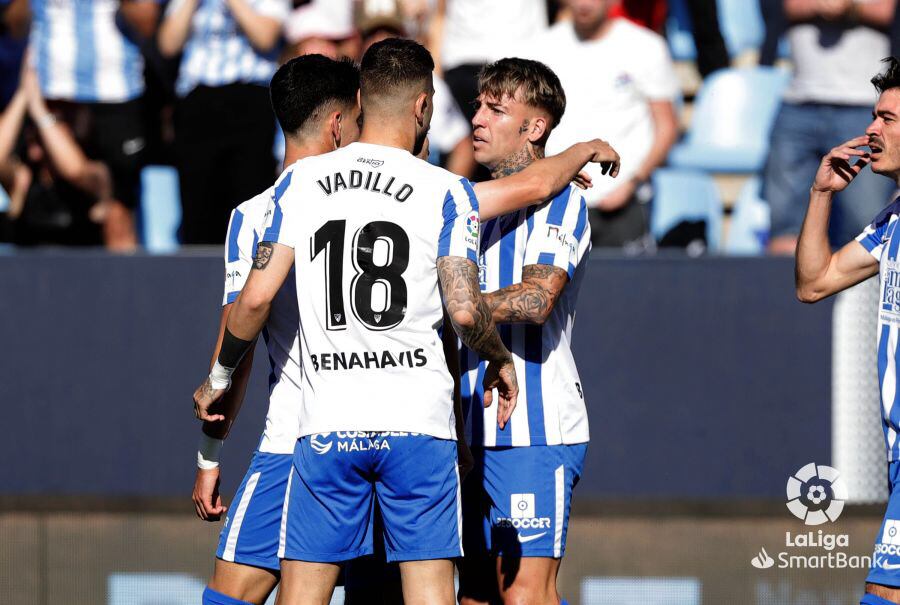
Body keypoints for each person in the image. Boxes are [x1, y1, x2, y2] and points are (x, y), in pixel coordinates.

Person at [191, 40, 620, 605]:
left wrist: (212, 420)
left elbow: (247, 311)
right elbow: (467, 301)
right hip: (422, 430)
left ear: (361, 105)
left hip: (326, 425)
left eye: (495, 109)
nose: (475, 119)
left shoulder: (288, 194)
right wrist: (490, 353)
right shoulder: (442, 190)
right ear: (422, 107)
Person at [457, 57, 590, 605]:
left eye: (496, 109)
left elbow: (536, 300)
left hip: (532, 432)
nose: (478, 120)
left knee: (525, 594)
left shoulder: (564, 200)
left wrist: (452, 306)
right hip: (464, 431)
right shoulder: (468, 203)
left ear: (535, 128)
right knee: (474, 595)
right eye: (478, 107)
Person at [795, 57, 900, 605]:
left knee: (885, 591)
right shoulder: (894, 219)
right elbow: (814, 283)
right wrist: (820, 194)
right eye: (874, 117)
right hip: (896, 450)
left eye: (888, 119)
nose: (872, 130)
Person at [526, 0, 678, 250]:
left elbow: (667, 127)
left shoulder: (646, 47)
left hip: (622, 203)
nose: (585, 3)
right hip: (556, 202)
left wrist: (631, 183)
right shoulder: (541, 49)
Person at [764, 0, 897, 254]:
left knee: (865, 224)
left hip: (863, 104)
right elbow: (778, 6)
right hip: (799, 100)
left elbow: (887, 9)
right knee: (786, 224)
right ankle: (782, 290)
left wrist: (850, 7)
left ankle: (861, 295)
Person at [26, 0, 160, 249]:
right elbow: (16, 19)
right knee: (49, 200)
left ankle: (125, 286)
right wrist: (33, 98)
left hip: (118, 92)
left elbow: (148, 24)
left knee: (118, 214)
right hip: (52, 90)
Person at [158, 0, 290, 245]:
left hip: (249, 100)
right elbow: (168, 44)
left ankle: (248, 279)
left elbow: (266, 37)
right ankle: (200, 277)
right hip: (198, 103)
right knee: (199, 207)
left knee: (250, 204)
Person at [0, 66, 120, 246]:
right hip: (27, 271)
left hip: (79, 271)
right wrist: (23, 94)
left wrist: (40, 112)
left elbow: (75, 171)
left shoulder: (97, 174)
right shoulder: (22, 178)